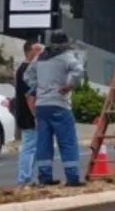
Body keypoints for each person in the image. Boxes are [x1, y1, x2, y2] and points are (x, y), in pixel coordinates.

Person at [25, 30, 85, 187]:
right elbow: (78, 70)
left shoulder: (40, 57)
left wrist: (36, 88)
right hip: (59, 103)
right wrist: (69, 86)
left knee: (43, 142)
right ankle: (72, 177)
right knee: (67, 141)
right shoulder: (66, 56)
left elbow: (27, 75)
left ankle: (44, 177)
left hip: (41, 106)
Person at [13, 40, 43, 185]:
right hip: (28, 115)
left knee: (33, 147)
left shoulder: (26, 69)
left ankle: (27, 176)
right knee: (29, 147)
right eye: (36, 50)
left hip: (27, 113)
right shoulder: (26, 70)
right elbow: (29, 96)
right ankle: (24, 178)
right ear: (28, 51)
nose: (39, 53)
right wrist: (35, 115)